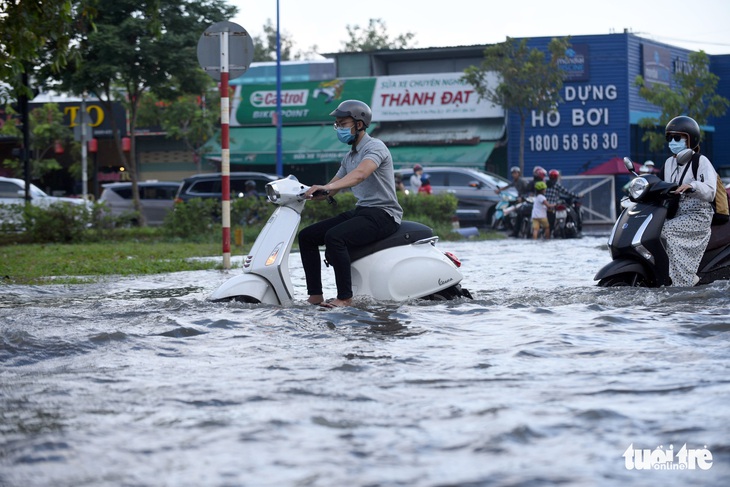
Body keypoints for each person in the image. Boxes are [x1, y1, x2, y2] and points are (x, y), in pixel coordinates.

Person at [299, 100, 403, 307]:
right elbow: (333, 186)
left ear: (360, 124)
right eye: (337, 124)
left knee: (335, 237)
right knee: (307, 236)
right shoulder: (349, 156)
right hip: (363, 212)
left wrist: (328, 188)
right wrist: (306, 193)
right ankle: (315, 296)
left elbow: (360, 175)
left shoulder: (375, 147)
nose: (339, 128)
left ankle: (345, 298)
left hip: (384, 214)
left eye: (343, 123)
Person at [660, 115, 717, 286]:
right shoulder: (669, 162)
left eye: (677, 137)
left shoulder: (701, 161)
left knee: (665, 231)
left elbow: (710, 191)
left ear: (690, 139)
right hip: (676, 213)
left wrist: (692, 186)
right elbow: (658, 184)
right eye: (670, 138)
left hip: (698, 215)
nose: (672, 142)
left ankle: (686, 278)